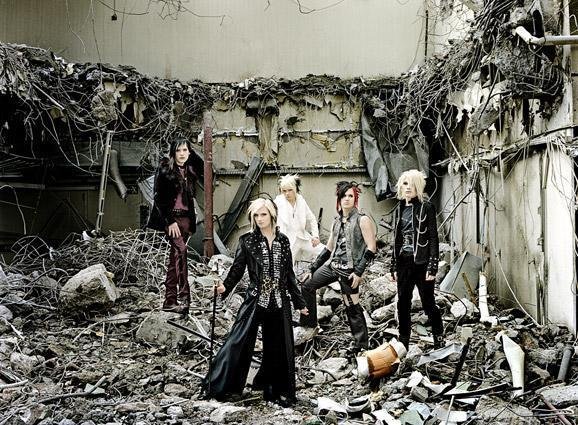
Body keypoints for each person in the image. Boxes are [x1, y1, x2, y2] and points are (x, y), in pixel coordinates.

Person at [202, 197, 309, 407]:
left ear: (272, 215)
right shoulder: (247, 241)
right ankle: (222, 387)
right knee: (237, 342)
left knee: (279, 347)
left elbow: (289, 275)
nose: (260, 219)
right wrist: (224, 287)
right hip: (255, 299)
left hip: (279, 301)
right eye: (256, 215)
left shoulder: (283, 241)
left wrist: (299, 303)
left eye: (263, 214)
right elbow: (237, 269)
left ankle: (276, 391)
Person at [299, 181, 376, 352]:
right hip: (332, 266)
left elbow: (371, 247)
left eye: (350, 196)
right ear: (339, 199)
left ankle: (361, 345)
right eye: (344, 196)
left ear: (355, 199)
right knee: (306, 285)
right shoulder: (336, 221)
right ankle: (309, 325)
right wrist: (312, 268)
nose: (347, 199)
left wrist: (358, 272)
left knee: (352, 306)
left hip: (350, 271)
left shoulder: (362, 220)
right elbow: (328, 249)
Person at [389, 169, 444, 350]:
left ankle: (438, 337)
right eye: (405, 183)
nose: (408, 188)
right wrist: (393, 265)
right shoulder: (399, 209)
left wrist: (433, 266)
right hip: (404, 262)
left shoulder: (426, 207)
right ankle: (403, 340)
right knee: (403, 303)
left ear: (419, 187)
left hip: (421, 263)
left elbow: (433, 237)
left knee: (428, 303)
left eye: (412, 184)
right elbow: (395, 239)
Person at [147, 138, 197, 314]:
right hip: (172, 219)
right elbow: (159, 199)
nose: (182, 154)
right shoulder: (165, 170)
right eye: (178, 150)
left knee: (175, 260)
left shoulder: (190, 171)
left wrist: (191, 222)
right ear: (173, 153)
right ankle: (184, 298)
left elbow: (190, 199)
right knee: (181, 253)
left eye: (185, 150)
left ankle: (170, 301)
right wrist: (170, 222)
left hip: (185, 219)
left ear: (189, 152)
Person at [274, 174, 324, 264]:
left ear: (295, 189)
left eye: (290, 190)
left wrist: (315, 236)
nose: (287, 193)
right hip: (287, 241)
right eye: (284, 191)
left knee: (324, 251)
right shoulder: (278, 202)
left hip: (302, 237)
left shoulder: (301, 200)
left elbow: (312, 218)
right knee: (288, 266)